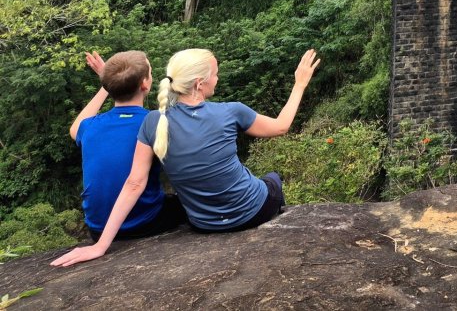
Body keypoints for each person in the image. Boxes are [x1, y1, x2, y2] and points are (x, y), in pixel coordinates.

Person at [52, 48, 321, 268]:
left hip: (202, 223)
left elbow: (134, 182)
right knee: (273, 179)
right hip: (252, 211)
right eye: (215, 74)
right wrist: (300, 83)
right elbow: (281, 126)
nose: (218, 78)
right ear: (199, 83)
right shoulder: (231, 111)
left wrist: (100, 246)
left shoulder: (154, 121)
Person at [71, 50, 186, 242]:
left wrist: (106, 84)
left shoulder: (90, 126)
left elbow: (75, 128)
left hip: (98, 228)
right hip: (143, 223)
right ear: (145, 83)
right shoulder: (157, 123)